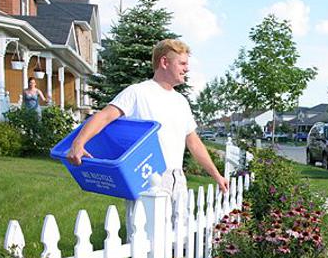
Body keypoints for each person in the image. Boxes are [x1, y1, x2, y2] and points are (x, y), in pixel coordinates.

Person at [66, 39, 228, 234]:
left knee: (180, 238)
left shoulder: (181, 102)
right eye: (182, 63)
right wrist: (78, 143)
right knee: (147, 238)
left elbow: (193, 142)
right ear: (164, 62)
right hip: (147, 176)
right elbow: (104, 116)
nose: (187, 69)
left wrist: (216, 175)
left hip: (177, 177)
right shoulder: (138, 92)